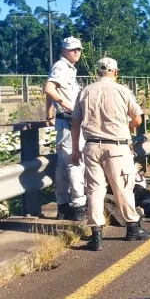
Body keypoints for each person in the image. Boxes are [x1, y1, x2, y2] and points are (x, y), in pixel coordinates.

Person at [71, 57, 150, 251]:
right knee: (123, 187)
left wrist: (76, 149)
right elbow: (137, 119)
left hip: (91, 146)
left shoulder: (85, 91)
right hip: (117, 147)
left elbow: (75, 122)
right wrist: (126, 126)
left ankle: (96, 235)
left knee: (94, 190)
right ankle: (133, 228)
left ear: (98, 72)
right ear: (115, 72)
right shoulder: (122, 90)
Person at [45, 36, 86, 220]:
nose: (76, 52)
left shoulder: (68, 68)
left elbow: (50, 90)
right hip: (69, 121)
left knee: (63, 165)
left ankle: (63, 205)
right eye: (72, 49)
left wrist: (49, 113)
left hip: (64, 122)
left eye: (78, 49)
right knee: (75, 162)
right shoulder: (61, 66)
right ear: (63, 51)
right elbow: (49, 88)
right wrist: (70, 107)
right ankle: (78, 205)